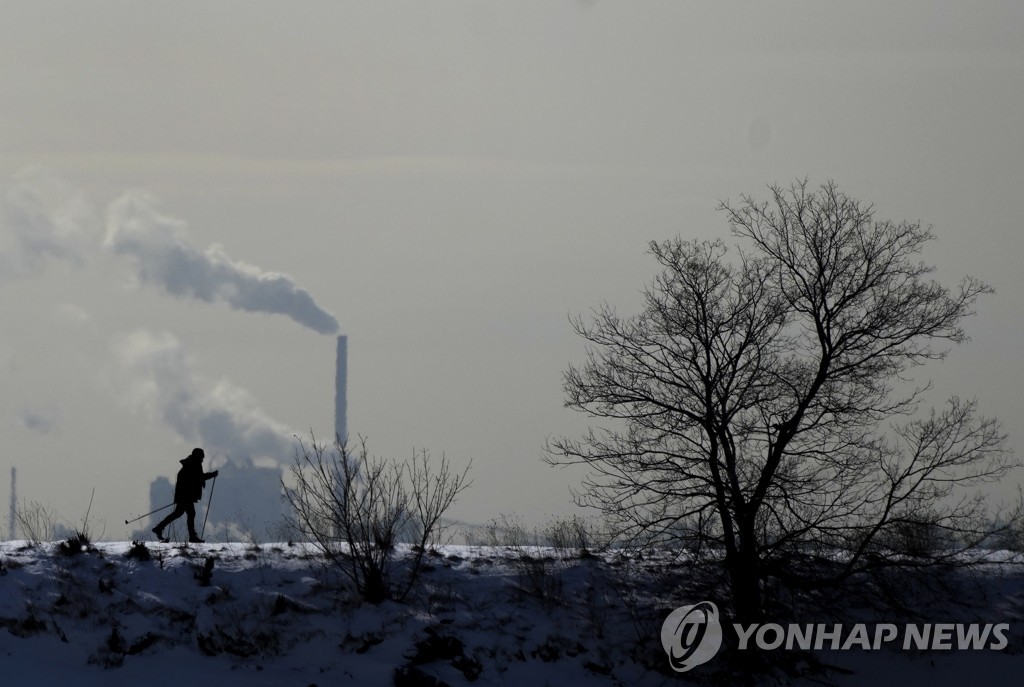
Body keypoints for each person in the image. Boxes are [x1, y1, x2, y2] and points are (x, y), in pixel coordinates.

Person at [152, 448, 218, 543]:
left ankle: (159, 528)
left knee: (179, 513)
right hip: (186, 495)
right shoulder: (195, 463)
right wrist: (213, 475)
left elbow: (194, 477)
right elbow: (199, 477)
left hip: (183, 495)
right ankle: (192, 537)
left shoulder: (189, 463)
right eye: (202, 456)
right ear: (199, 455)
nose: (203, 459)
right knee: (190, 513)